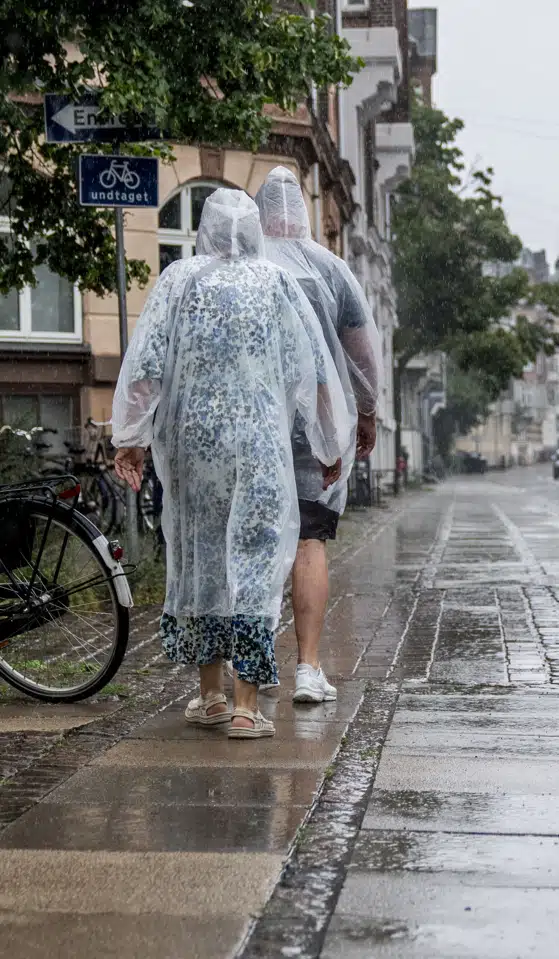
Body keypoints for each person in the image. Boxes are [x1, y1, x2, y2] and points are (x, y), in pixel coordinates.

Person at [112, 189, 350, 738]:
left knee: (204, 555)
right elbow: (310, 369)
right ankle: (248, 706)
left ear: (206, 228)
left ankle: (210, 696)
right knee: (258, 560)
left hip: (194, 446)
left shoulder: (180, 280)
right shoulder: (275, 282)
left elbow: (145, 360)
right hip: (260, 444)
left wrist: (132, 437)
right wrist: (327, 443)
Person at [254, 167, 381, 704]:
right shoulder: (332, 271)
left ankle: (252, 670)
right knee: (310, 540)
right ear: (304, 213)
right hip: (316, 429)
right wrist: (367, 414)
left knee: (254, 542)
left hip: (254, 426)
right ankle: (307, 669)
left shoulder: (245, 269)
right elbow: (361, 354)